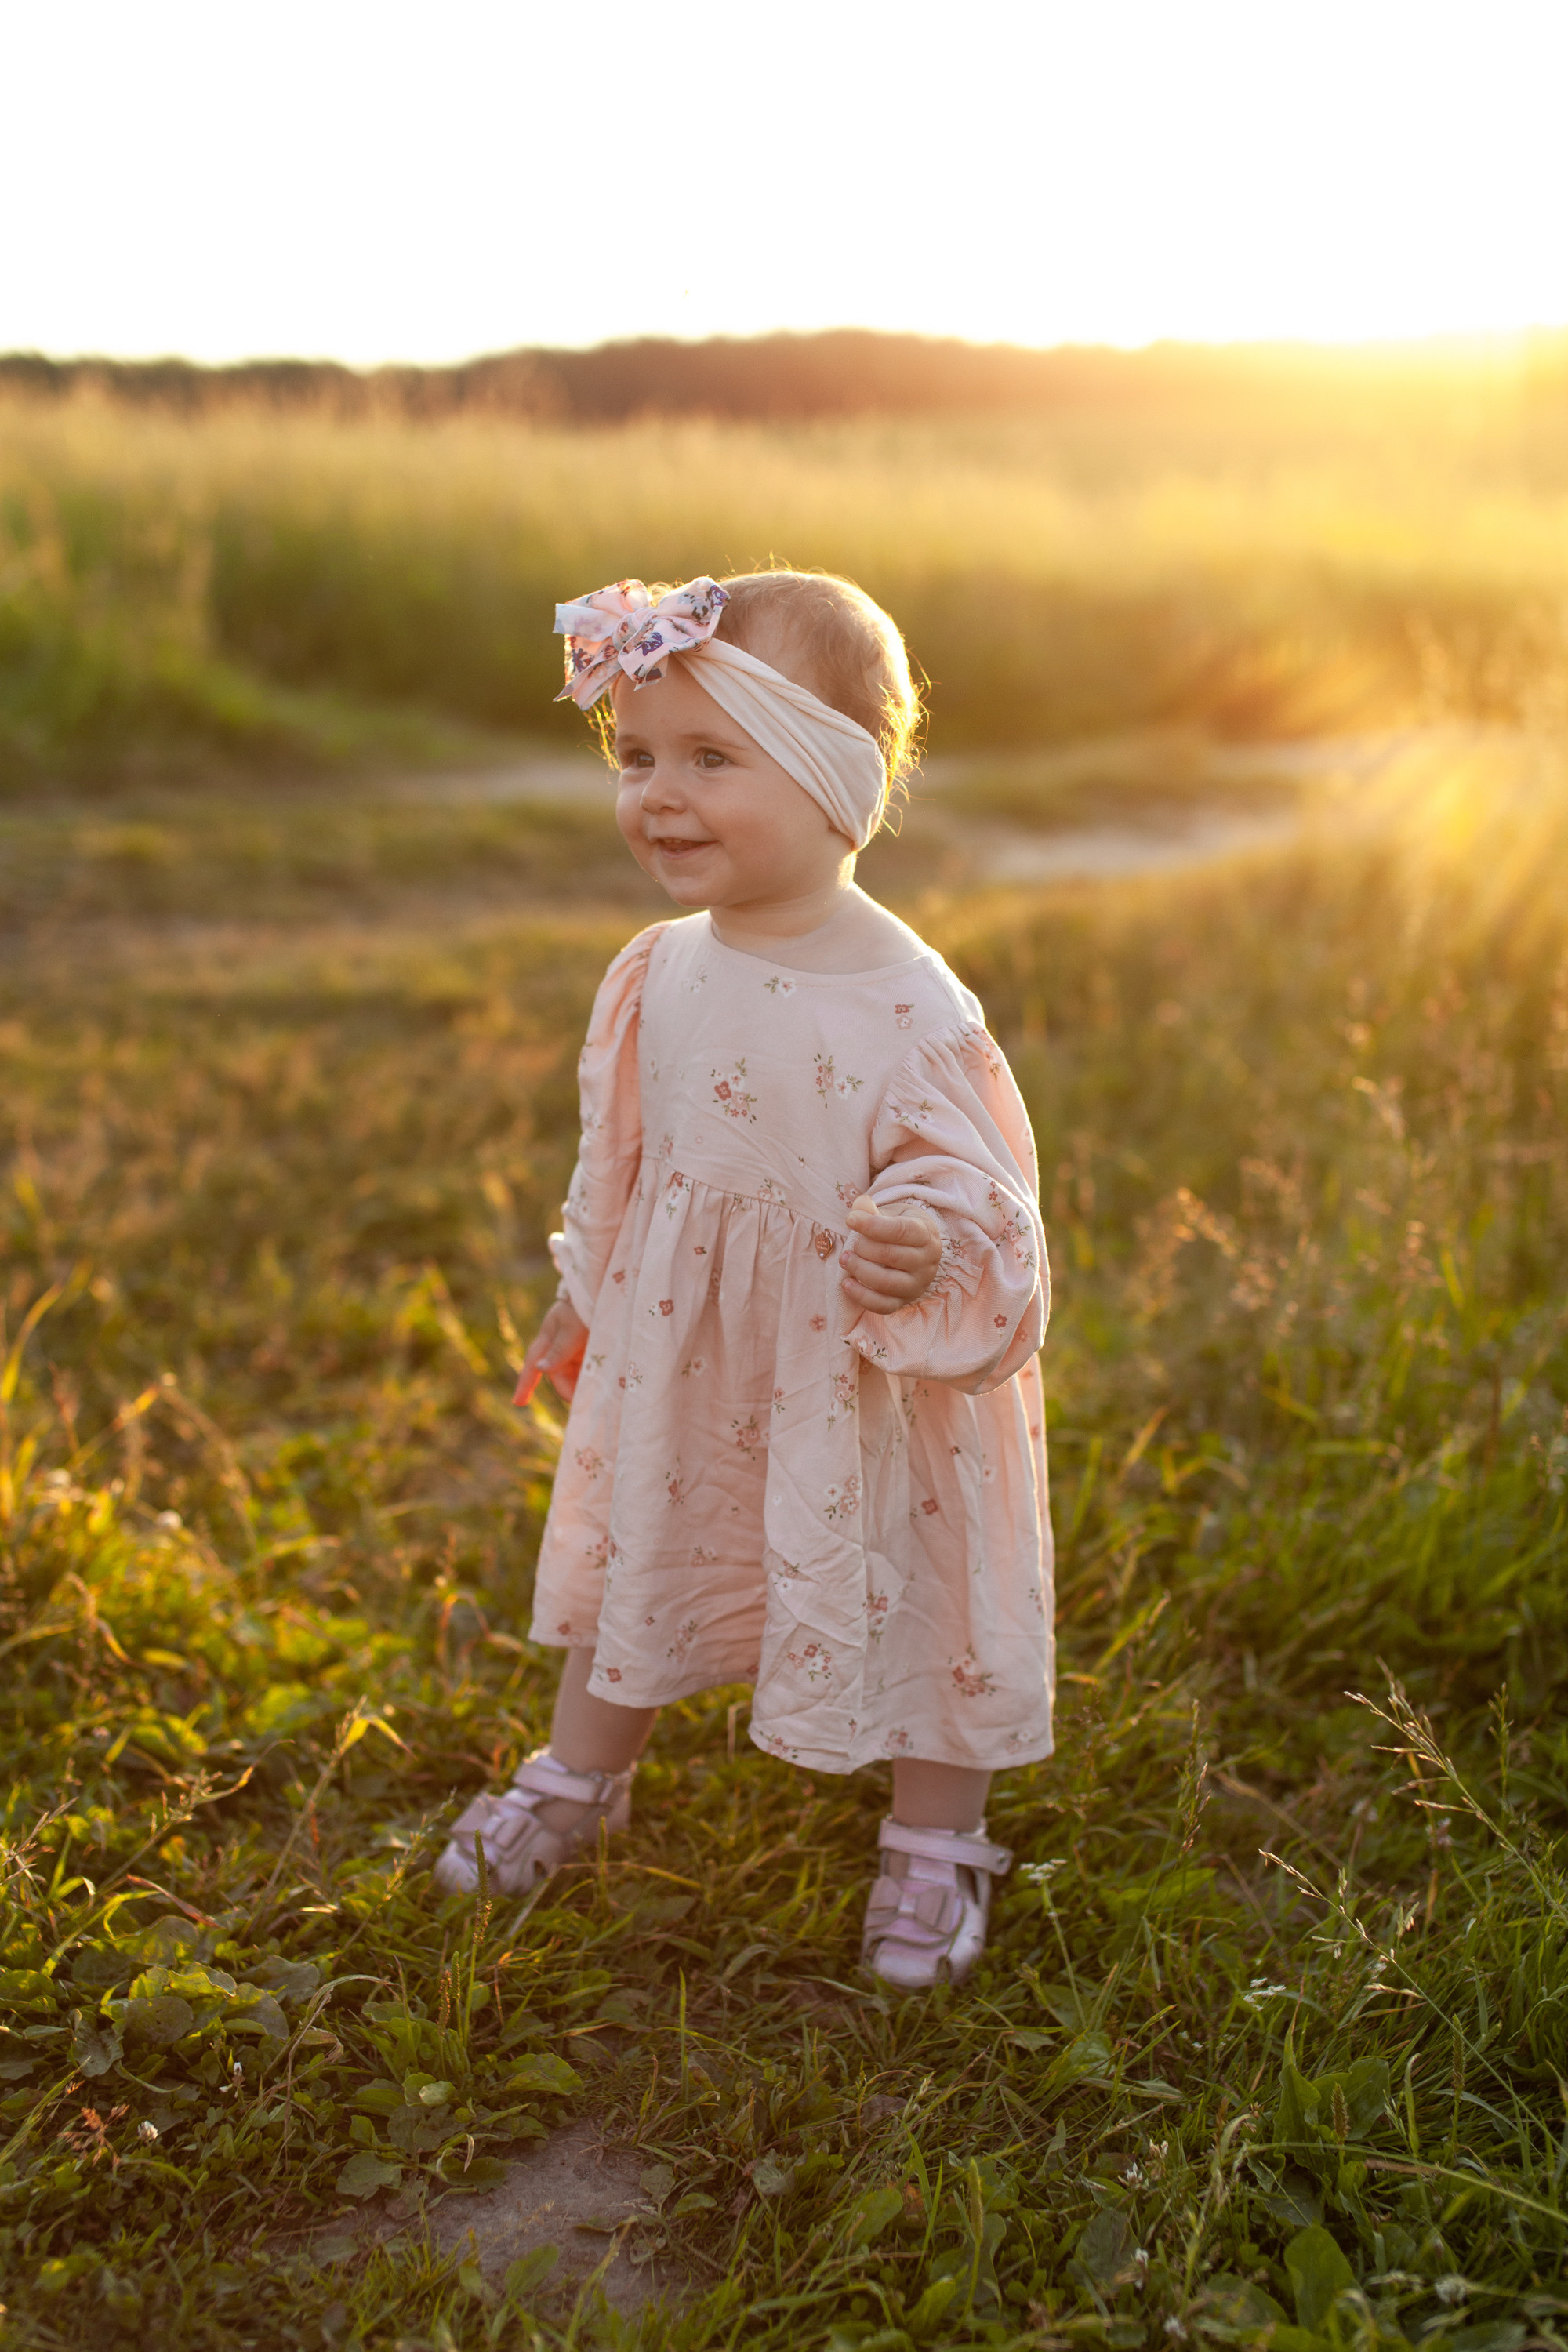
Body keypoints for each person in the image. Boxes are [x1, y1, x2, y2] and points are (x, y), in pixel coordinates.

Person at [434, 571, 1053, 1988]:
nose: (660, 795)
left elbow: (982, 1195)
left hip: (862, 1366)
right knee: (644, 1543)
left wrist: (926, 1241)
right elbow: (628, 1158)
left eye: (714, 759)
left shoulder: (908, 1003)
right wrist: (585, 1287)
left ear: (839, 778)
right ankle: (581, 1776)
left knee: (920, 1580)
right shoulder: (661, 968)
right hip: (690, 1351)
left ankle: (936, 1837)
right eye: (639, 757)